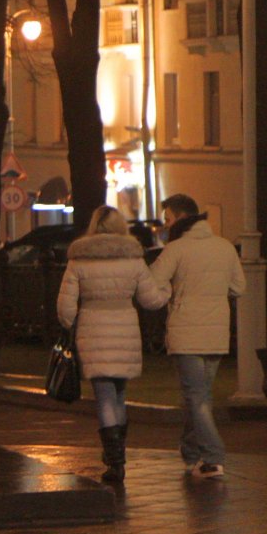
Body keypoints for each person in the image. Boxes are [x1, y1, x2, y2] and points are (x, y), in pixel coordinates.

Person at [56, 205, 169, 484]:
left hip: (93, 329)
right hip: (125, 329)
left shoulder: (79, 259)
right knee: (119, 394)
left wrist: (69, 323)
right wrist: (168, 289)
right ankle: (117, 454)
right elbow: (151, 300)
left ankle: (115, 460)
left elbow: (65, 306)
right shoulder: (133, 258)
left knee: (104, 395)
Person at [149, 193, 246, 481]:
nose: (165, 225)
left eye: (168, 219)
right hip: (216, 333)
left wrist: (174, 293)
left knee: (196, 397)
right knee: (201, 395)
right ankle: (190, 453)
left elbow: (153, 282)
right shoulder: (225, 247)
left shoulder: (175, 250)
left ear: (181, 218)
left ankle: (213, 457)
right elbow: (239, 287)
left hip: (186, 332)